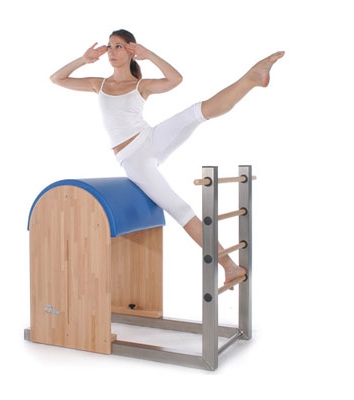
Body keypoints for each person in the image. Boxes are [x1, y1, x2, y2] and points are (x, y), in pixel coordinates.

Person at [50, 29, 284, 286]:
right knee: (180, 209)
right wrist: (84, 59)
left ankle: (251, 79)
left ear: (130, 50)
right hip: (133, 158)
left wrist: (149, 54)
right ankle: (228, 266)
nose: (111, 52)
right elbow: (57, 78)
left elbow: (175, 79)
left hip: (150, 138)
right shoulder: (99, 84)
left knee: (196, 112)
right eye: (109, 46)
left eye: (118, 46)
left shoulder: (140, 85)